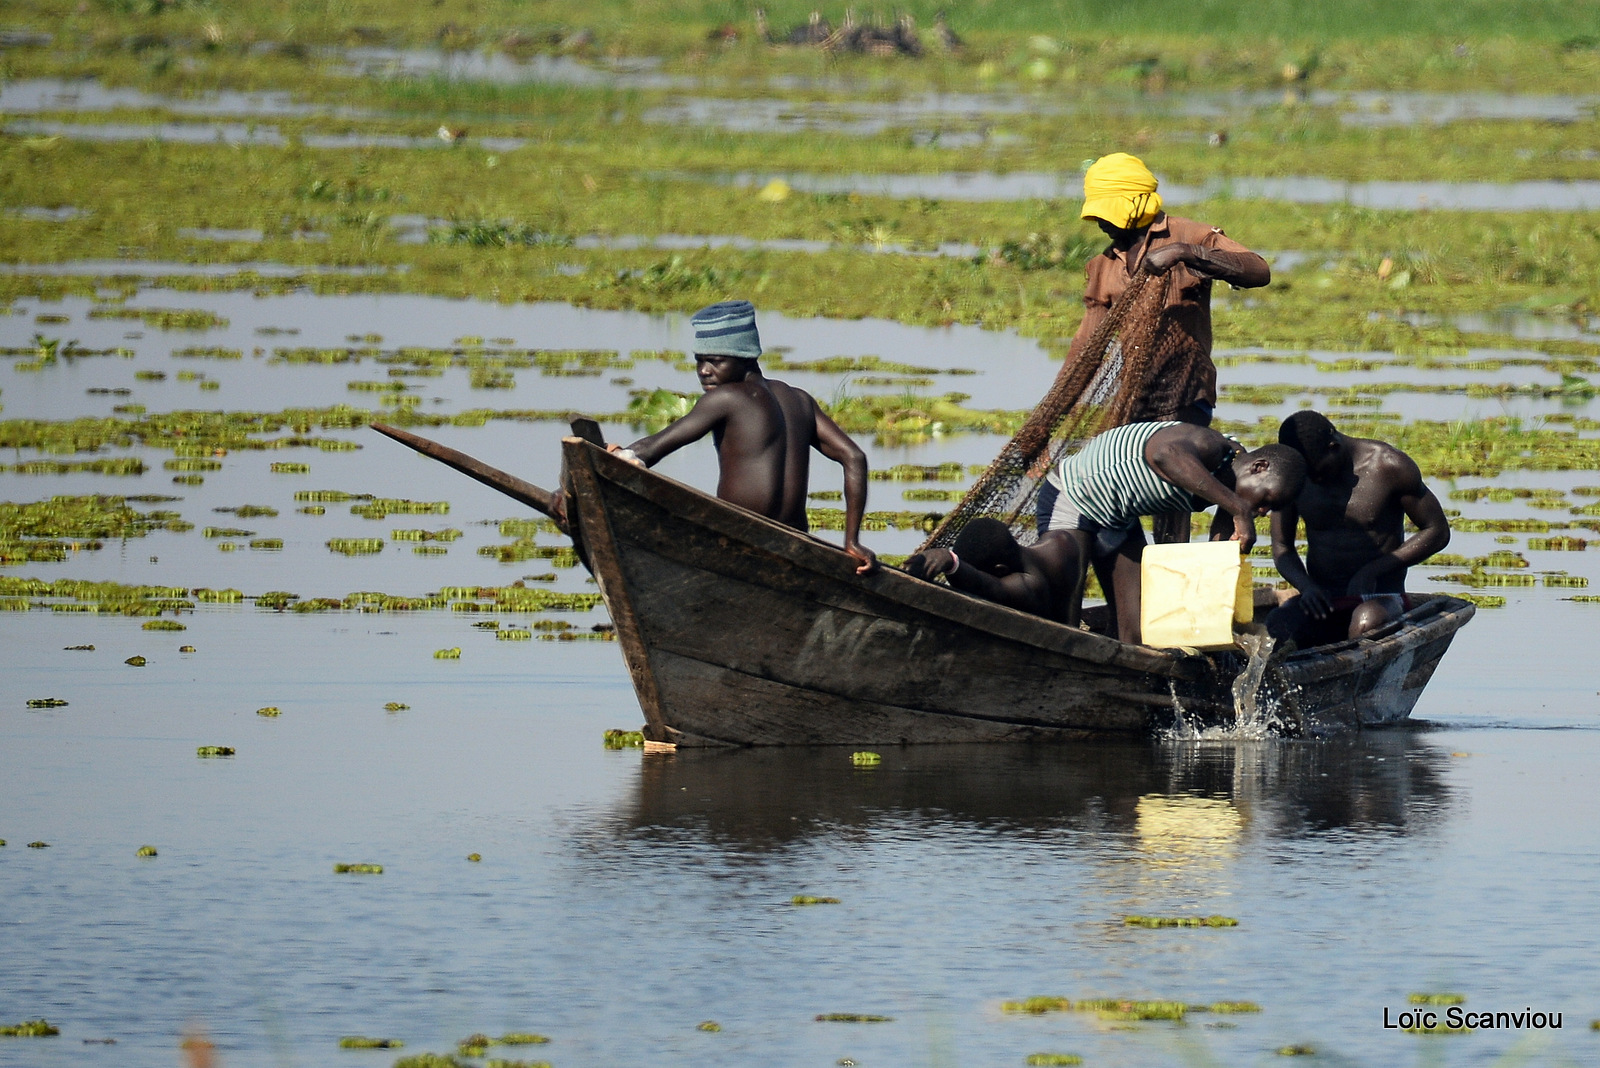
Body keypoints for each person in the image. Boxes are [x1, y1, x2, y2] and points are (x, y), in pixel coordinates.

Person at [906, 421, 1305, 643]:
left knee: (1136, 631)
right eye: (1266, 499)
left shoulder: (1230, 491)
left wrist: (1216, 610)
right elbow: (1161, 454)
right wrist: (1239, 509)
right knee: (1062, 615)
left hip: (1118, 519)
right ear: (1258, 466)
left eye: (1269, 509)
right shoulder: (1209, 445)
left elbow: (1216, 557)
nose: (1262, 510)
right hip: (1076, 498)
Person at [1065, 152, 1272, 544]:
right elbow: (1085, 346)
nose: (1102, 224)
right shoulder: (1103, 265)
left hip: (1185, 394)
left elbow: (1257, 270)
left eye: (1108, 213)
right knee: (1121, 495)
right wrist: (1055, 413)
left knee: (1171, 495)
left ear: (1135, 205)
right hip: (1132, 399)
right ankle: (1136, 587)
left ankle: (1176, 574)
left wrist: (1186, 255)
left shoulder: (1189, 236)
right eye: (1098, 215)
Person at [609, 300, 877, 573]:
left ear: (745, 357)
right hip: (796, 547)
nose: (704, 371)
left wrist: (624, 455)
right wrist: (851, 541)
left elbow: (653, 448)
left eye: (715, 361)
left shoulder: (727, 398)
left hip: (739, 541)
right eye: (699, 361)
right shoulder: (800, 400)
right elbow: (854, 456)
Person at [1267, 411, 1450, 647]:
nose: (1315, 480)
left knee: (1366, 621)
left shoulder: (1389, 466)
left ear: (1334, 446)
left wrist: (1372, 571)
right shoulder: (1294, 476)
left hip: (1381, 597)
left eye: (1319, 472)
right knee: (1278, 625)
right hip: (1323, 599)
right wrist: (1307, 586)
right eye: (1308, 475)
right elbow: (1282, 547)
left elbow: (1437, 531)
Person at [903, 518, 1081, 624]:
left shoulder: (1028, 586)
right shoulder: (1062, 543)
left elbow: (990, 587)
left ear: (1000, 570)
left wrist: (952, 562)